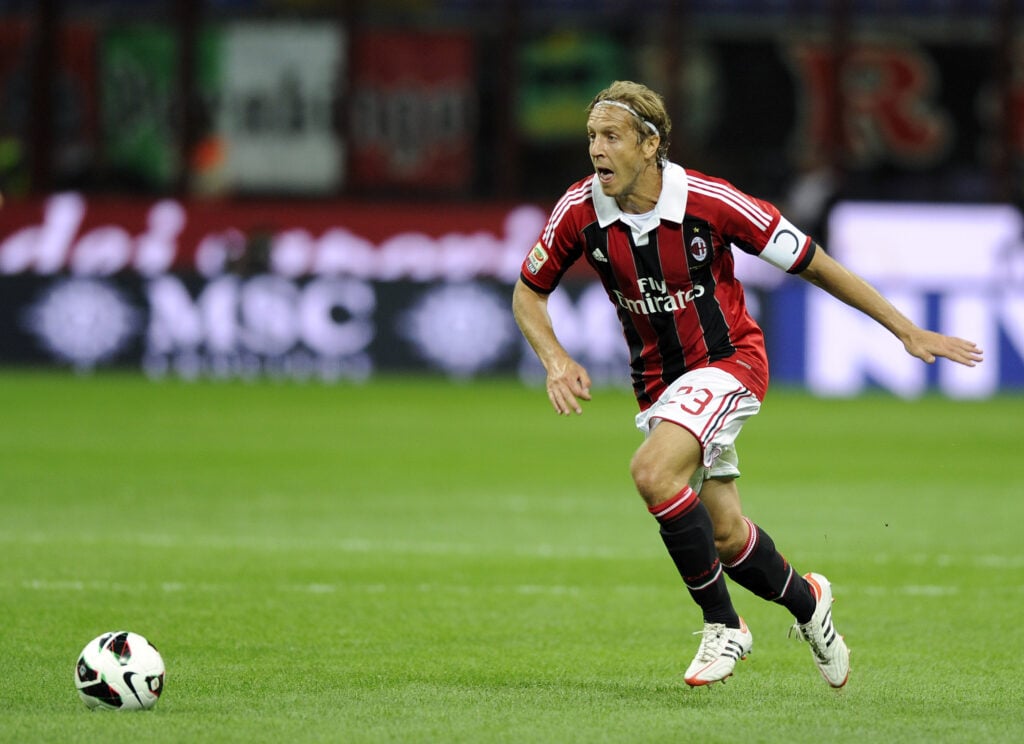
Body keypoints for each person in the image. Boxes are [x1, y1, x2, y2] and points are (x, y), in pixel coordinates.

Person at [512, 80, 983, 688]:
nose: (597, 150)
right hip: (659, 383)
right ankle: (811, 606)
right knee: (728, 535)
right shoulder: (580, 209)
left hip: (729, 362)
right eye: (591, 138)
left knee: (653, 474)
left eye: (611, 137)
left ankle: (724, 626)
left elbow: (813, 260)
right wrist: (554, 357)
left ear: (650, 144)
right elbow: (528, 291)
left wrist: (904, 330)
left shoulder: (711, 202)